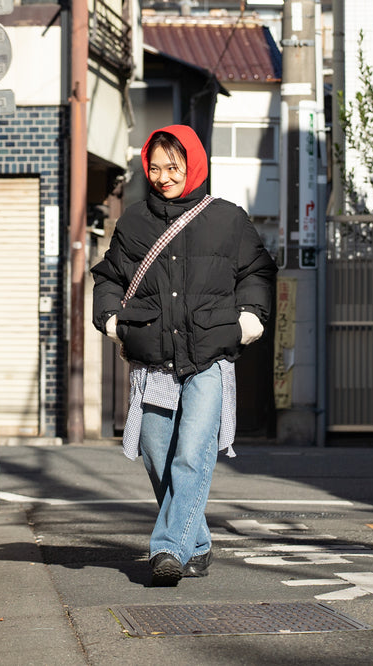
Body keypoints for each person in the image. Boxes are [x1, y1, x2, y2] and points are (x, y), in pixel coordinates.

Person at [91, 124, 277, 586]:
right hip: (154, 356)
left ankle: (168, 549)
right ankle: (198, 542)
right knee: (158, 455)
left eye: (173, 167)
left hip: (209, 355)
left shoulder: (228, 219)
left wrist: (249, 319)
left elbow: (257, 272)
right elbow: (109, 277)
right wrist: (111, 320)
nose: (163, 177)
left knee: (192, 453)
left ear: (193, 164)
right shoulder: (134, 222)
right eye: (154, 168)